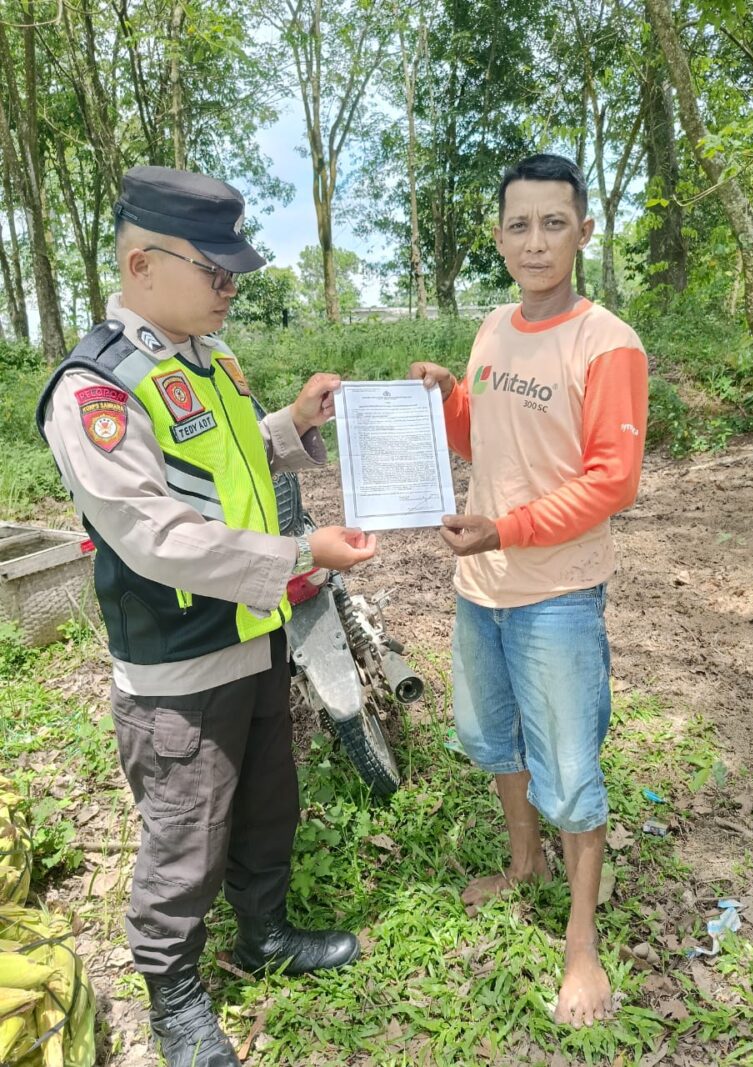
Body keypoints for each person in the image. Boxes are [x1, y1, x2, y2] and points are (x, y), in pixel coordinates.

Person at [36, 166, 376, 1067]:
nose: (231, 287)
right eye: (216, 270)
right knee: (185, 834)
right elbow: (156, 535)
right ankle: (176, 998)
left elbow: (225, 464)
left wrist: (292, 421)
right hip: (179, 664)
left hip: (250, 636)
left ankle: (263, 934)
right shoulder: (94, 390)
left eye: (236, 272)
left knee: (268, 804)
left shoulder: (205, 359)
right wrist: (305, 556)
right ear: (143, 262)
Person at [410, 154, 648, 1029]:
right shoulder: (494, 328)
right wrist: (445, 400)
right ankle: (524, 864)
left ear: (584, 232)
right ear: (500, 236)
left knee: (573, 770)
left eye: (555, 223)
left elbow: (612, 480)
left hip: (555, 591)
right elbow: (483, 434)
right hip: (481, 585)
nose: (536, 240)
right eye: (519, 224)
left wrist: (506, 530)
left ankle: (581, 943)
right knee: (488, 733)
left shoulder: (608, 341)